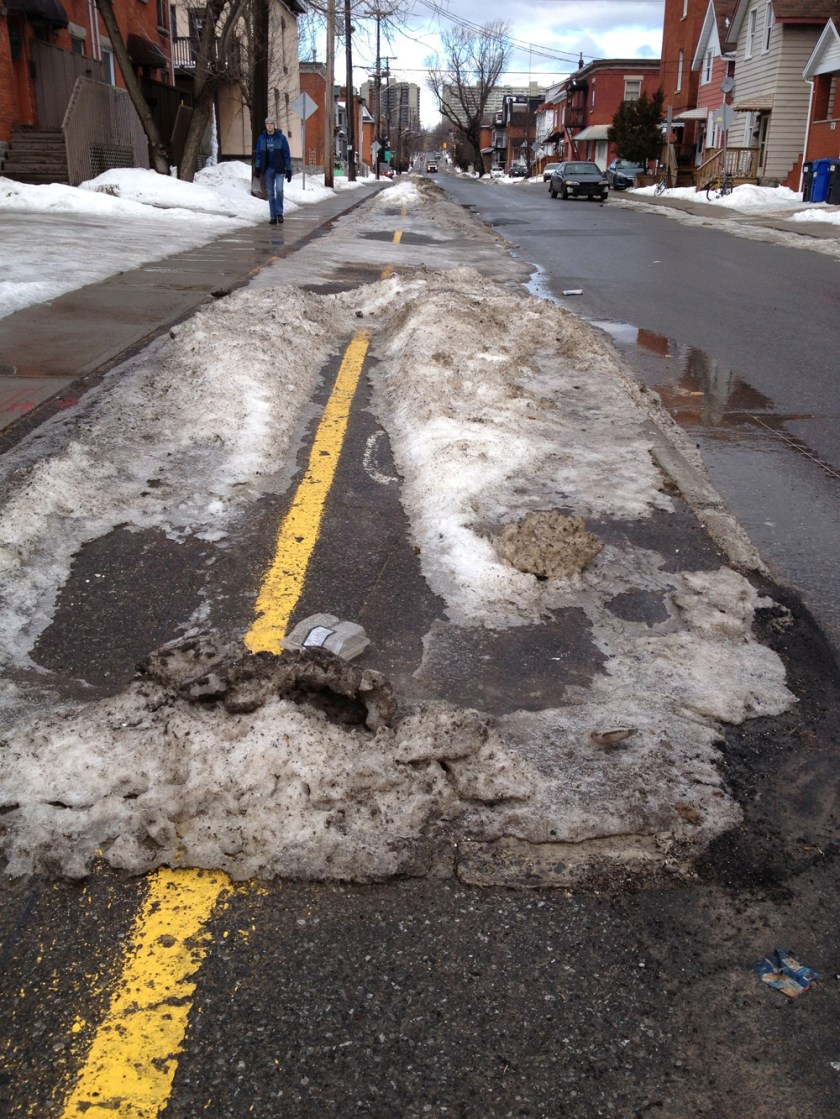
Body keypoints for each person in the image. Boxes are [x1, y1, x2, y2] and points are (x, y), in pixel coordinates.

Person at [255, 118, 292, 225]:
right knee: (270, 194)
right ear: (265, 125)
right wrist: (257, 168)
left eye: (271, 124)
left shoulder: (281, 138)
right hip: (268, 169)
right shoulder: (262, 138)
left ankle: (279, 213)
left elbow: (286, 154)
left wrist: (289, 169)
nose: (269, 125)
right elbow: (258, 154)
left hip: (279, 168)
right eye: (267, 124)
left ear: (274, 125)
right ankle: (273, 217)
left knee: (279, 190)